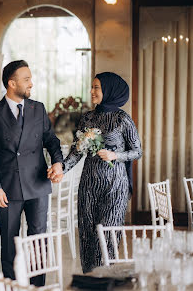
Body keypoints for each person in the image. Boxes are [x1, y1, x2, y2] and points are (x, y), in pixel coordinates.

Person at [0, 60, 64, 286]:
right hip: (7, 188)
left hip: (37, 184)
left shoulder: (38, 108)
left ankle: (38, 287)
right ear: (11, 83)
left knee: (38, 241)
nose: (31, 83)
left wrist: (58, 162)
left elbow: (52, 140)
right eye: (26, 79)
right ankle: (12, 287)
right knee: (9, 242)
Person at [60, 72, 142, 273]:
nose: (92, 91)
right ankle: (89, 279)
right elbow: (77, 151)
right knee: (87, 234)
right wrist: (61, 169)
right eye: (92, 87)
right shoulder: (87, 117)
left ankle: (105, 279)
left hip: (115, 187)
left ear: (109, 90)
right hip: (88, 184)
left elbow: (137, 151)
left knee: (107, 237)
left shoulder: (122, 119)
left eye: (96, 87)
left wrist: (115, 156)